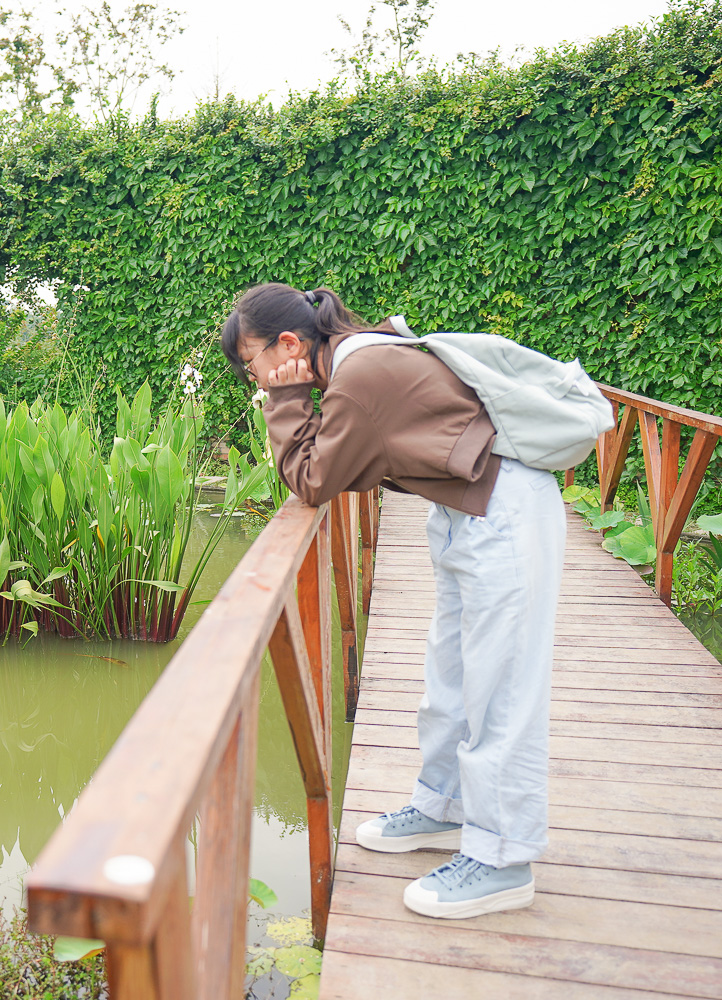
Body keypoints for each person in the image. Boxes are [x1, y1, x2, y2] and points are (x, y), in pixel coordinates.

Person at [220, 282, 566, 919]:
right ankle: (445, 806)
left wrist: (287, 397)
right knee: (452, 675)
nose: (257, 380)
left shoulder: (357, 376)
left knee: (502, 689)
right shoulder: (358, 360)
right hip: (468, 508)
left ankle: (503, 859)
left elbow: (313, 479)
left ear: (289, 344)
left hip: (504, 511)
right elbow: (337, 464)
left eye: (254, 365)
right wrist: (298, 399)